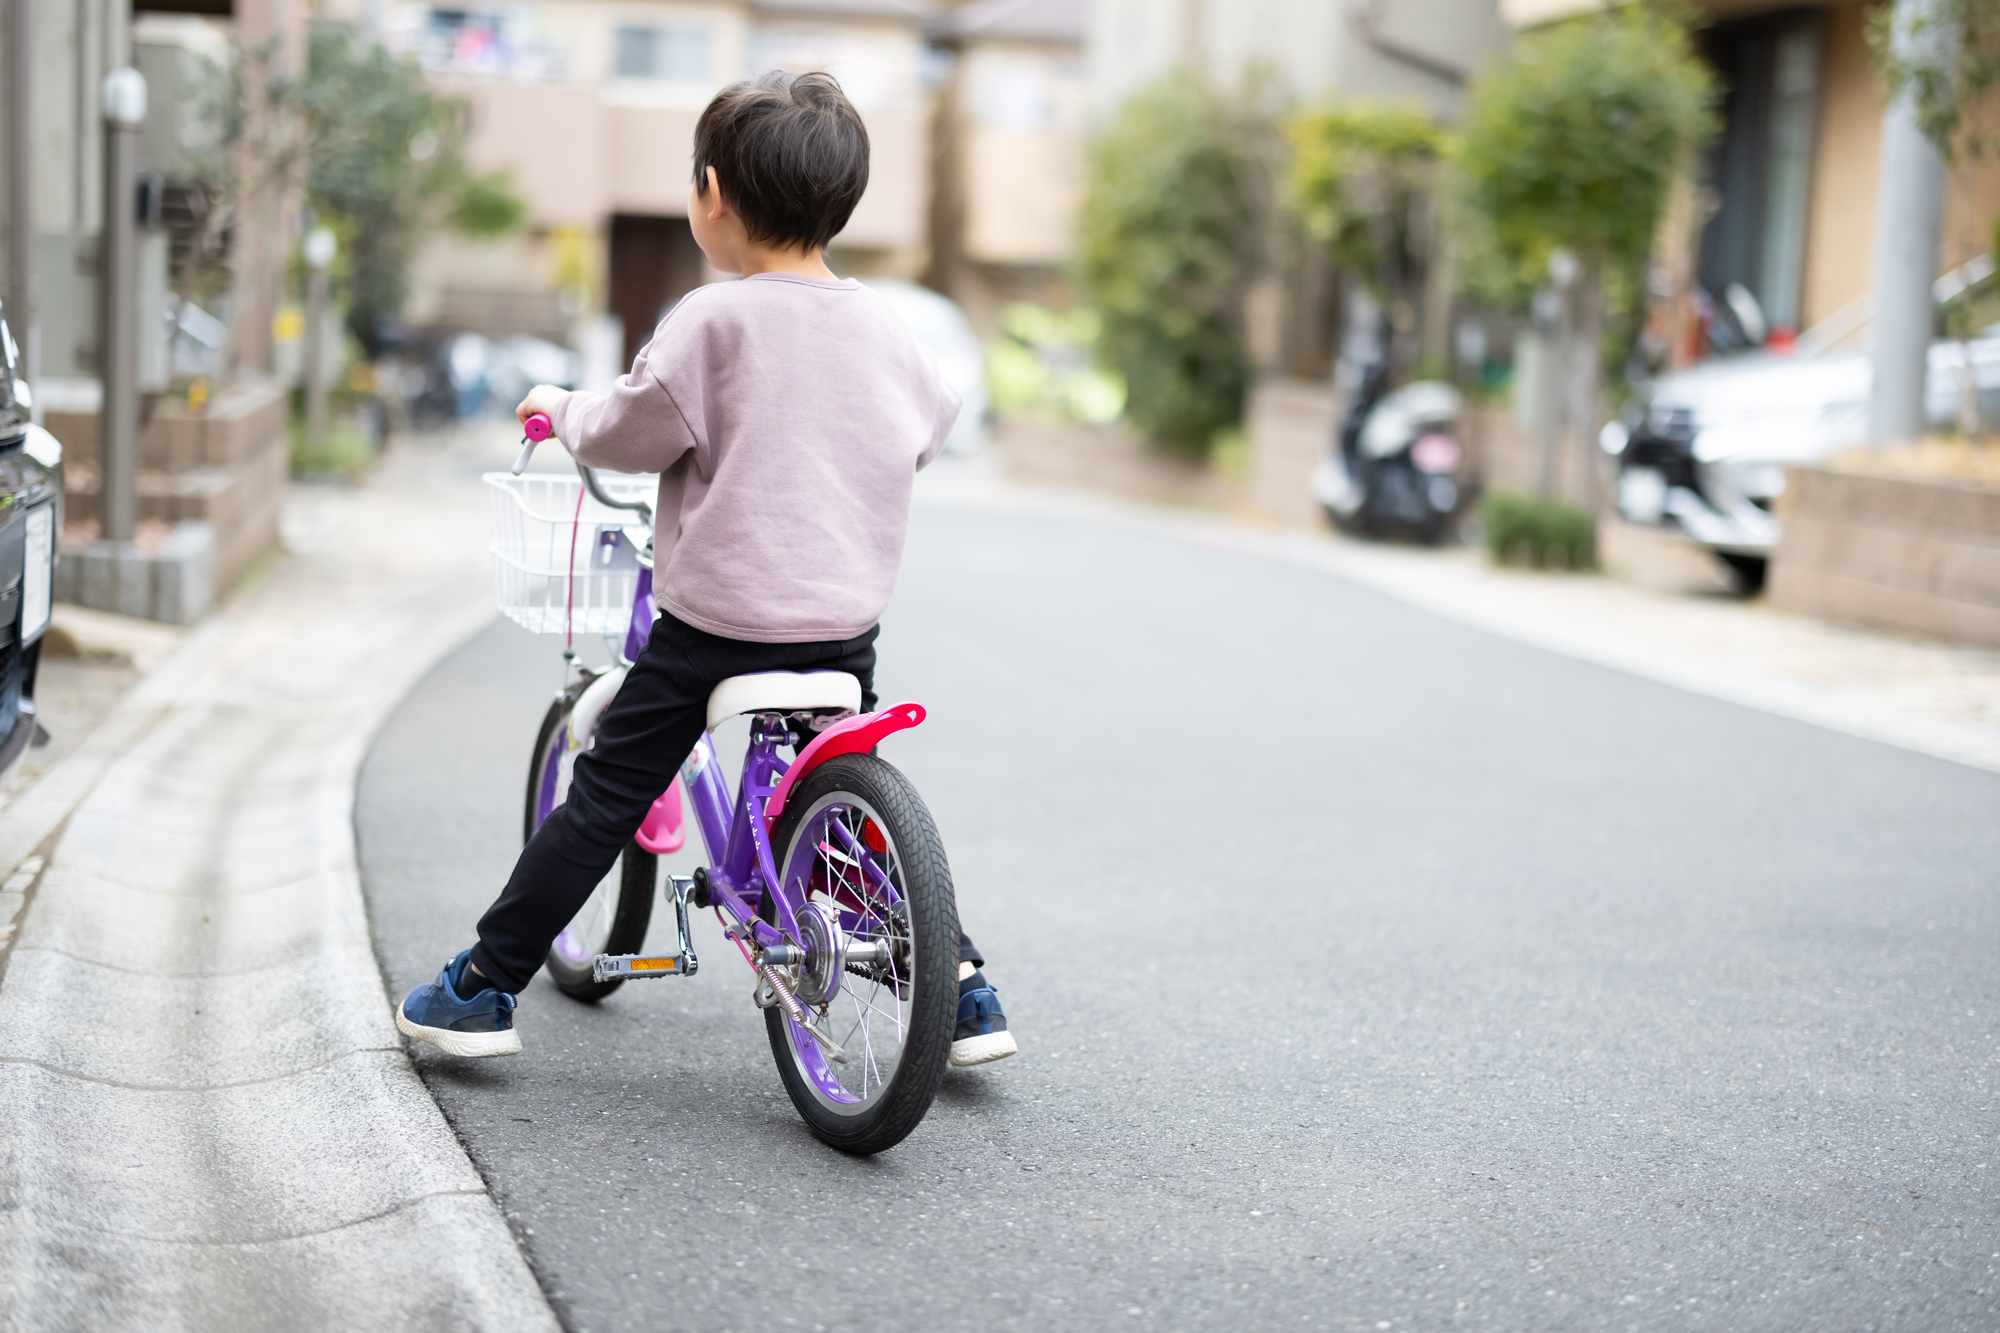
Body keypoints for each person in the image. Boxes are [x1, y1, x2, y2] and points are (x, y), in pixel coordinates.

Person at [396, 71, 1016, 1070]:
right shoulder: (884, 329)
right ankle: (963, 991)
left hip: (713, 630)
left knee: (603, 798)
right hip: (840, 630)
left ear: (713, 194)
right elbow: (927, 427)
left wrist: (562, 410)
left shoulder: (710, 320)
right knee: (833, 806)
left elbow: (629, 430)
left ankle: (479, 988)